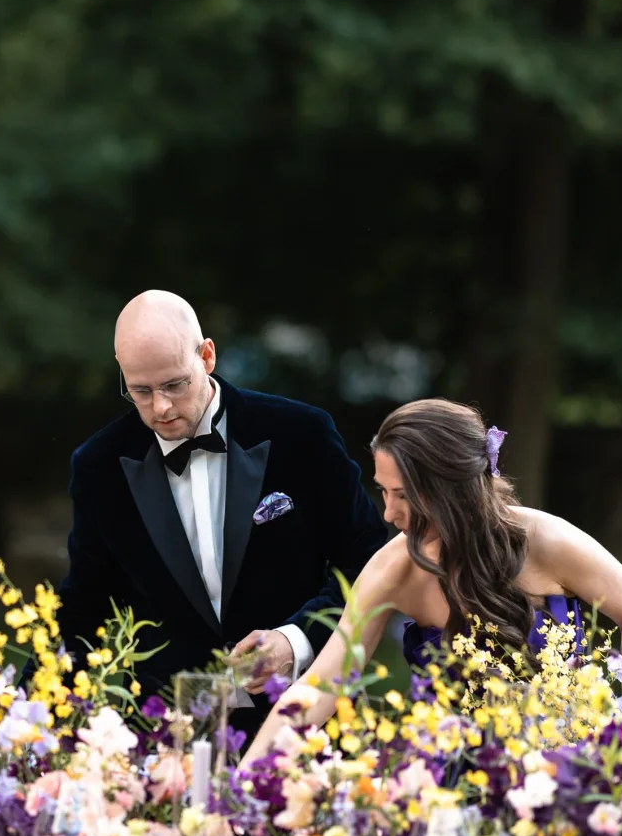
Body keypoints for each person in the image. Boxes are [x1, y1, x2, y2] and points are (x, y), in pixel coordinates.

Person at [241, 398, 622, 763]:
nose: (388, 514)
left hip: (562, 777)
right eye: (383, 491)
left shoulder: (546, 542)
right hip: (450, 791)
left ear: (452, 488)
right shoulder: (394, 569)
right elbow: (323, 682)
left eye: (402, 495)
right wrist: (243, 783)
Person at [56, 291, 389, 706]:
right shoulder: (99, 465)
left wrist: (297, 638)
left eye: (175, 384)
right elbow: (84, 608)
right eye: (140, 391)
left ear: (207, 356)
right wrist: (22, 719)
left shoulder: (301, 434)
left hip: (303, 713)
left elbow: (370, 559)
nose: (160, 407)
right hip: (167, 730)